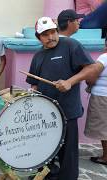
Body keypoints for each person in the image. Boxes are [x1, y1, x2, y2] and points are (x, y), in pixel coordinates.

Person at [26, 17, 96, 179]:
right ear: (39, 37)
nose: (50, 37)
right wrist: (33, 94)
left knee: (68, 156)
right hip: (45, 115)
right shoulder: (38, 56)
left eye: (52, 32)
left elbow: (91, 68)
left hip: (67, 111)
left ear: (57, 31)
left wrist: (70, 82)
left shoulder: (71, 45)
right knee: (45, 150)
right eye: (45, 34)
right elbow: (34, 84)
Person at [84, 35, 107, 165]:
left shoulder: (104, 57)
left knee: (104, 129)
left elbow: (92, 75)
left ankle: (106, 157)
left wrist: (89, 82)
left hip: (102, 97)